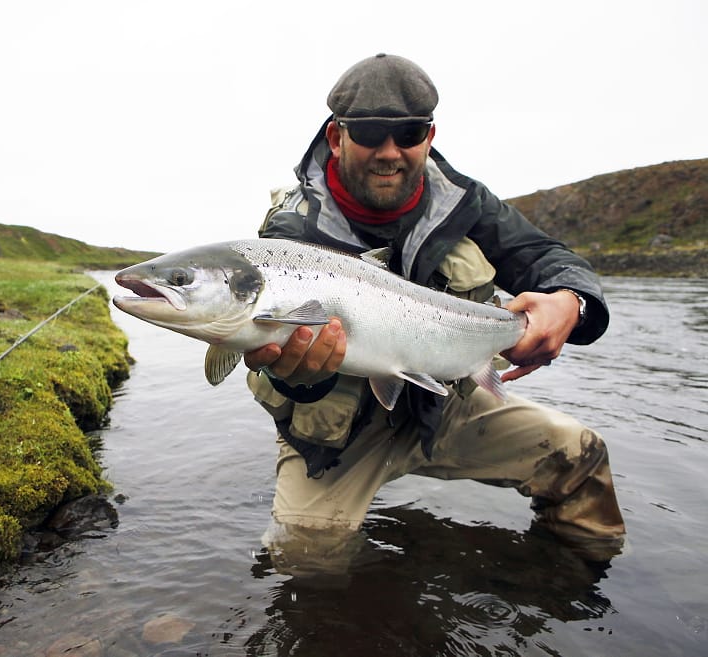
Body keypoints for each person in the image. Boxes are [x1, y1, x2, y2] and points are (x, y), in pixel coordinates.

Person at [243, 53, 626, 565]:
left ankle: (573, 589)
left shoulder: (465, 202)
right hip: (336, 435)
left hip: (445, 405)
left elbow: (547, 258)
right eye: (371, 132)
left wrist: (571, 303)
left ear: (429, 135)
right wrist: (300, 374)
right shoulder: (291, 234)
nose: (389, 151)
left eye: (408, 132)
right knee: (307, 561)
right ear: (336, 137)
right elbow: (284, 369)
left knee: (580, 456)